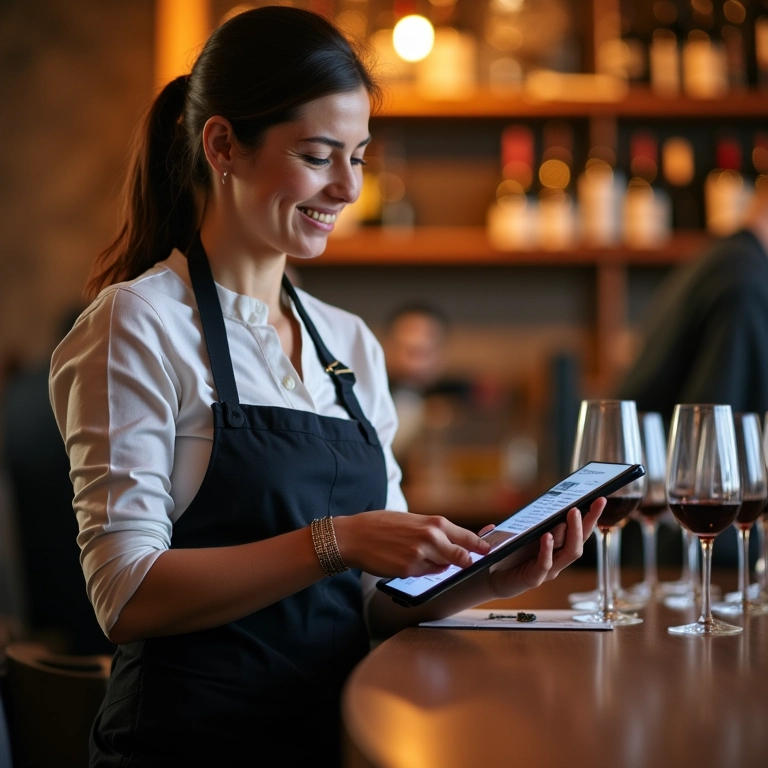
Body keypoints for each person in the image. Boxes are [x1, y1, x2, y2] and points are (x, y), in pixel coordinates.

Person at [49, 7, 604, 767]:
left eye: (360, 157)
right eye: (318, 156)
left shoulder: (349, 343)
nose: (347, 188)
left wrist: (483, 581)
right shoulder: (138, 324)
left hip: (338, 740)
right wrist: (335, 541)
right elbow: (125, 594)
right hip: (189, 747)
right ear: (223, 145)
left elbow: (370, 604)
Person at [617, 178, 768, 566]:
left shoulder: (716, 260)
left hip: (654, 531)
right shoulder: (743, 283)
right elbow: (716, 443)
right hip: (684, 551)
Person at [617, 179, 768, 419]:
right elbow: (714, 429)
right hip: (652, 442)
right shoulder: (742, 283)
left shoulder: (720, 259)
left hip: (638, 439)